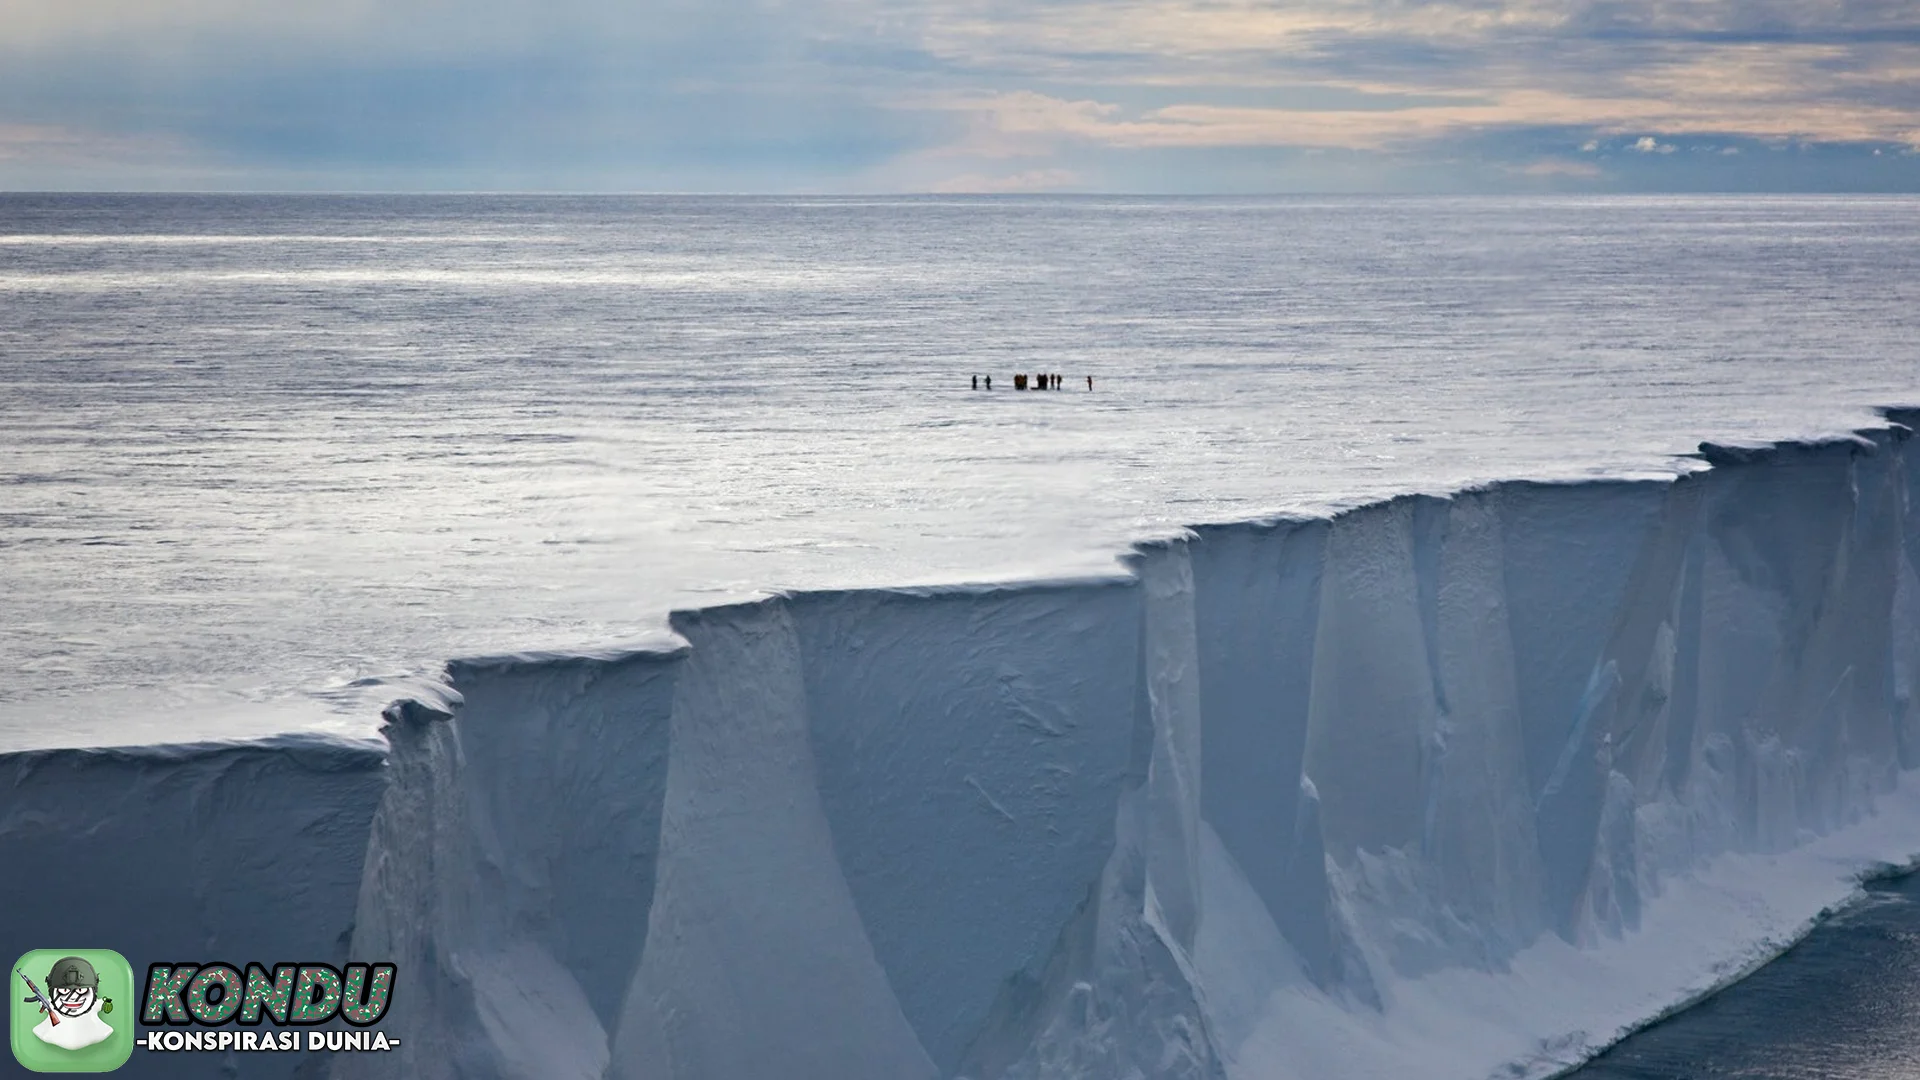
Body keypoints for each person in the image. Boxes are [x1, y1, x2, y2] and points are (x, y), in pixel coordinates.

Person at [28, 956, 116, 1052]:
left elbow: (105, 1006)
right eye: (64, 991)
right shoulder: (45, 1032)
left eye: (81, 990)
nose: (73, 997)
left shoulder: (101, 1030)